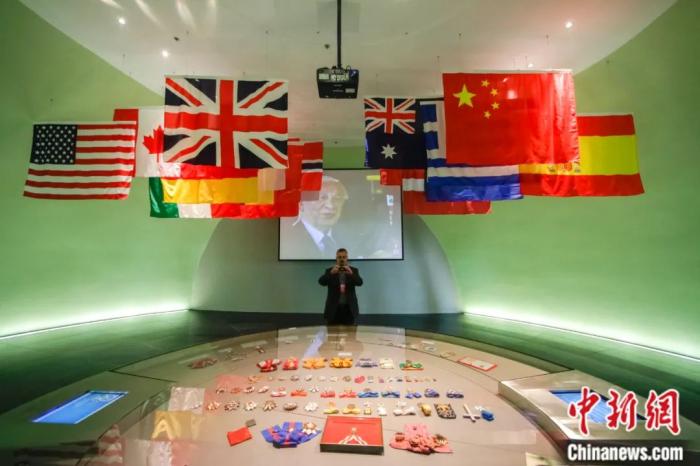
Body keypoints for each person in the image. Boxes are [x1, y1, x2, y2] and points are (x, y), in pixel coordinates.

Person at [282, 176, 349, 258]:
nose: (331, 206)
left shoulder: (349, 240)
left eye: (337, 199)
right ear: (301, 204)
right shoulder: (288, 240)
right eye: (322, 198)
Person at [319, 248, 363, 325]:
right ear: (336, 258)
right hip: (333, 309)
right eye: (339, 257)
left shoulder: (353, 270)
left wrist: (351, 274)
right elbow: (321, 282)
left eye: (344, 257)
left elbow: (360, 283)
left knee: (350, 333)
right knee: (332, 332)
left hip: (349, 309)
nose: (342, 259)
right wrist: (331, 273)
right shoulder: (330, 270)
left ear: (347, 258)